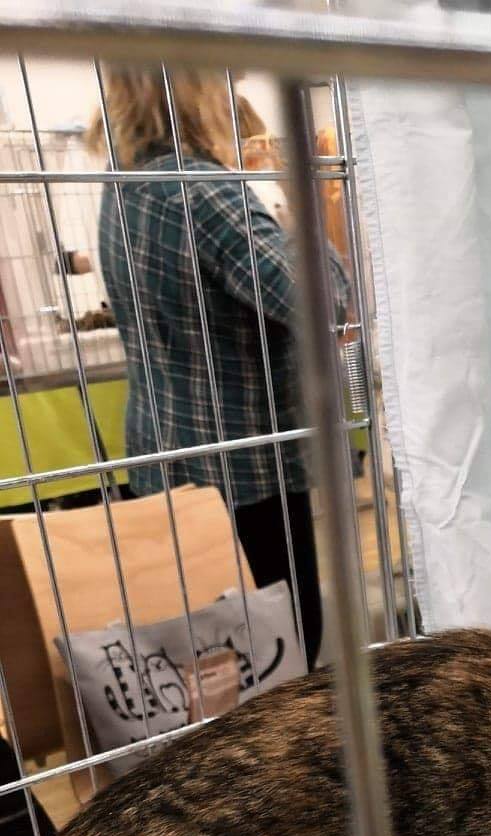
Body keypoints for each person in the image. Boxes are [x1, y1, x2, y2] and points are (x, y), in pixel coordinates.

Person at [89, 69, 349, 670]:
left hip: (163, 453)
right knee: (284, 646)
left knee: (210, 652)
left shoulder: (123, 180)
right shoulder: (202, 190)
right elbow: (325, 298)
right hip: (244, 467)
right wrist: (300, 199)